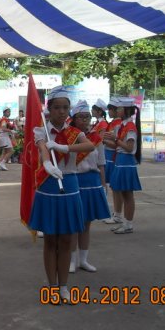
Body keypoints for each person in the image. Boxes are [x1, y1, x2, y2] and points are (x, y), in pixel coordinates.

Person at [28, 86, 94, 304]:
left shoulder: (75, 132)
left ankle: (64, 286)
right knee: (50, 239)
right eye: (57, 107)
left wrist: (64, 148)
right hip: (49, 185)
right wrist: (47, 163)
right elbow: (43, 148)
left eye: (65, 107)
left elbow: (90, 146)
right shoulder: (42, 131)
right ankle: (52, 287)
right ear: (50, 108)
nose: (62, 111)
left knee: (66, 239)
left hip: (70, 184)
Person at [69, 100, 110, 273]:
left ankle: (83, 260)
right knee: (74, 224)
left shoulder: (95, 138)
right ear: (74, 118)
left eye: (87, 116)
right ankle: (71, 260)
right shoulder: (69, 136)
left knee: (86, 225)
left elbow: (101, 163)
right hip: (75, 181)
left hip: (92, 182)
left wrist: (103, 184)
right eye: (81, 117)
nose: (85, 120)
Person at [106, 97, 142, 234]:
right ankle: (125, 223)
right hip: (121, 161)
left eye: (120, 109)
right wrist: (105, 140)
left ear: (126, 110)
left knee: (128, 195)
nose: (117, 111)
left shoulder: (130, 127)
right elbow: (118, 145)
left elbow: (129, 148)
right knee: (123, 193)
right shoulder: (123, 125)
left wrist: (115, 139)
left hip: (126, 162)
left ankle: (128, 224)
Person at [102, 99, 124, 226]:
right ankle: (116, 214)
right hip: (109, 156)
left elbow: (117, 144)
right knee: (114, 187)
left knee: (116, 188)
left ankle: (118, 215)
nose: (108, 112)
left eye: (110, 109)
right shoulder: (113, 123)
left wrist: (103, 140)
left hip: (113, 157)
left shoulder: (118, 124)